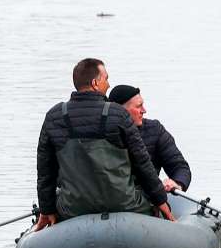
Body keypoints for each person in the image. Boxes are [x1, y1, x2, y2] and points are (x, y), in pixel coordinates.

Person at [33, 59, 174, 231]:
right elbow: (142, 162)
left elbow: (45, 171)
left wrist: (46, 210)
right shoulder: (118, 114)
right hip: (125, 205)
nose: (108, 84)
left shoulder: (54, 116)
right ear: (95, 83)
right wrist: (161, 200)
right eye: (106, 79)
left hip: (72, 209)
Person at [107, 84, 191, 193]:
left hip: (149, 197)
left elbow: (179, 166)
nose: (144, 110)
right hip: (114, 196)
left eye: (143, 105)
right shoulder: (103, 133)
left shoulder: (155, 130)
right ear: (121, 111)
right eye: (138, 106)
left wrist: (177, 183)